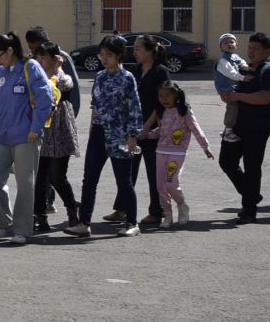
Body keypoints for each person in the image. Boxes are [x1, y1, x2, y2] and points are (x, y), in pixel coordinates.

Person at [0, 31, 53, 245]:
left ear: (10, 50)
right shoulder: (1, 72)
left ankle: (22, 229)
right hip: (3, 136)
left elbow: (45, 99)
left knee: (25, 183)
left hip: (26, 137)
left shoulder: (31, 68)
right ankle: (5, 221)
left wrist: (36, 127)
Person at [71, 35, 142, 237]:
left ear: (119, 55)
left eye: (108, 55)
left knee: (124, 181)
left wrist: (133, 135)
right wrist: (92, 130)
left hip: (120, 135)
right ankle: (84, 223)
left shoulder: (127, 78)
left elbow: (135, 108)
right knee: (89, 179)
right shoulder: (100, 76)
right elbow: (95, 105)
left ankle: (132, 223)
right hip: (99, 133)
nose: (104, 58)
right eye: (101, 54)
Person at [221, 33, 270, 223]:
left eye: (256, 48)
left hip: (257, 127)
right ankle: (252, 195)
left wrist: (238, 97)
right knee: (226, 162)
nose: (251, 51)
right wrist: (229, 95)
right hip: (237, 125)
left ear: (267, 51)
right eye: (249, 47)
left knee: (252, 168)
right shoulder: (244, 69)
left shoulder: (269, 71)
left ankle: (249, 210)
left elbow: (264, 98)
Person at [141, 81, 213, 227]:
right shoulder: (161, 112)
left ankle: (182, 205)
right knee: (160, 186)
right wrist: (146, 135)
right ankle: (168, 215)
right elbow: (161, 132)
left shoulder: (184, 112)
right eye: (161, 96)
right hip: (160, 152)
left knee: (171, 182)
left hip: (178, 153)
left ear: (176, 95)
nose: (164, 99)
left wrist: (205, 147)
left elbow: (195, 129)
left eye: (167, 95)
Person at [31, 42, 81, 233]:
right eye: (38, 57)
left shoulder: (62, 76)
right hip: (41, 130)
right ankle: (39, 216)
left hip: (60, 132)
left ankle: (72, 208)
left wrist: (58, 68)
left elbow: (63, 85)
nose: (39, 61)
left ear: (54, 59)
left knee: (57, 177)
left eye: (43, 57)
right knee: (40, 177)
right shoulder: (35, 77)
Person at [131, 36, 172, 228]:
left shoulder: (160, 72)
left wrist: (147, 128)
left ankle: (156, 212)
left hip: (153, 130)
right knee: (128, 170)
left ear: (149, 51)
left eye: (138, 48)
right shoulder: (136, 70)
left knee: (154, 172)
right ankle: (122, 208)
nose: (134, 52)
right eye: (134, 48)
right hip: (134, 128)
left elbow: (162, 102)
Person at [213, 33, 247, 142]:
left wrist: (245, 66)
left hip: (233, 89)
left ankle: (226, 131)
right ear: (221, 47)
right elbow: (231, 73)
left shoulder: (235, 56)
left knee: (237, 107)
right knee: (233, 107)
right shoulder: (222, 60)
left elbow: (241, 61)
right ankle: (228, 131)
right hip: (226, 90)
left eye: (232, 42)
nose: (229, 44)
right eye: (225, 43)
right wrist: (244, 77)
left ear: (236, 45)